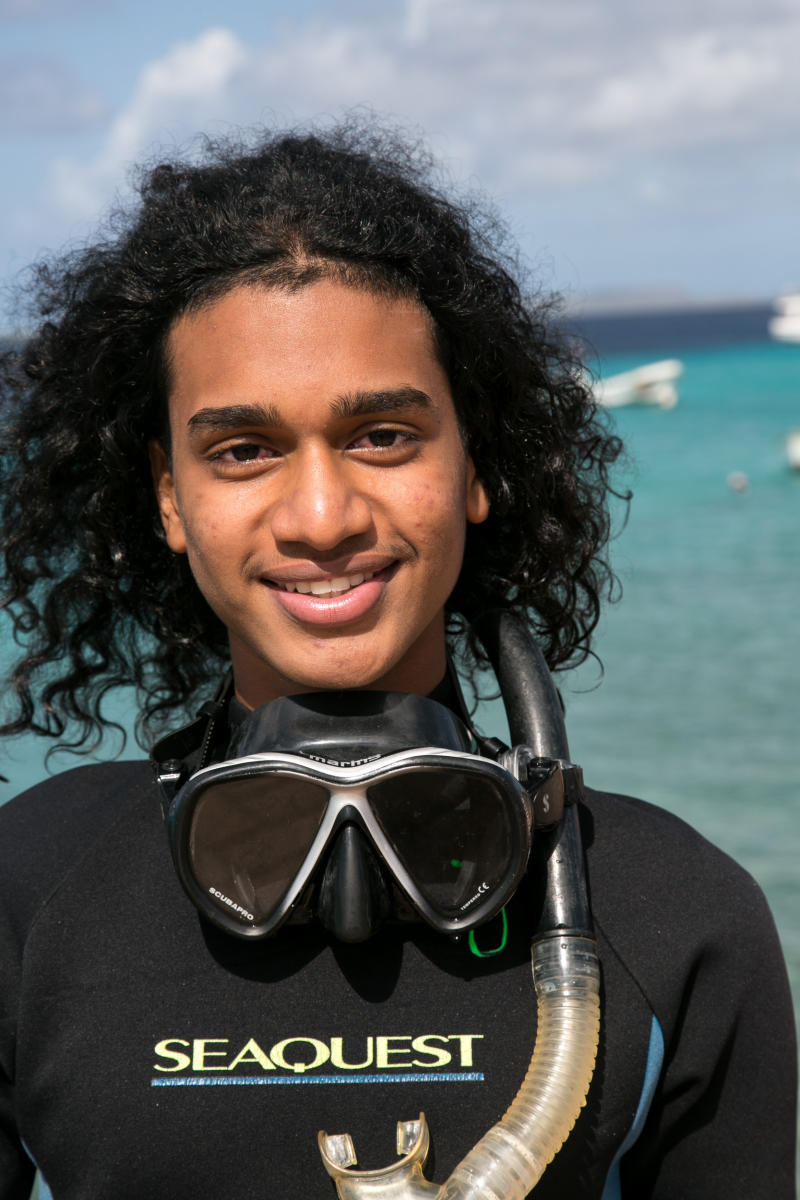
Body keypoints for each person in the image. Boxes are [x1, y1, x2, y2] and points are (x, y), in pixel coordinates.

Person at [0, 123, 795, 1200]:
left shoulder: (666, 914)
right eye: (243, 450)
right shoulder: (32, 893)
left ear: (476, 463)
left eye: (381, 435)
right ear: (167, 497)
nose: (321, 517)